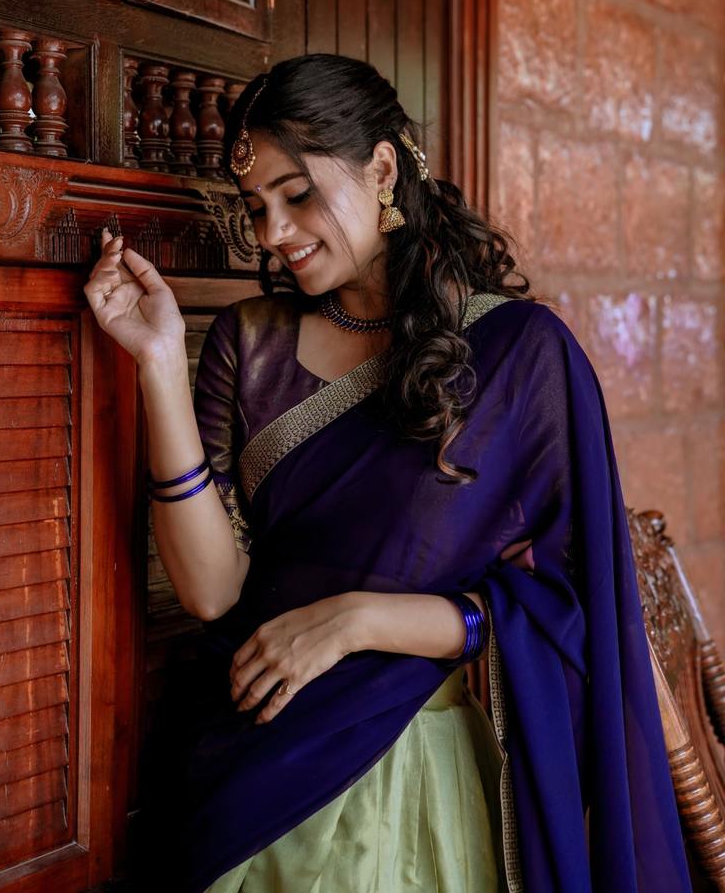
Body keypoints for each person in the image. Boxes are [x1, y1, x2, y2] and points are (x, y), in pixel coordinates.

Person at [84, 54, 692, 893]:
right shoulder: (249, 342)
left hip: (419, 775)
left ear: (380, 169)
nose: (273, 233)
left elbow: (577, 607)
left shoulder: (517, 354)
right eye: (256, 207)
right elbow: (213, 592)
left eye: (297, 195)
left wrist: (359, 620)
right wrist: (156, 362)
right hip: (250, 771)